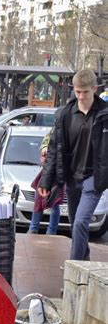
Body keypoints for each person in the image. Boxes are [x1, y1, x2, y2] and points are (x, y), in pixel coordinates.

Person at [38, 69, 108, 260]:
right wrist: (45, 181)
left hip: (94, 178)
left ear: (94, 89)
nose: (81, 96)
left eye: (85, 92)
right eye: (77, 92)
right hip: (71, 177)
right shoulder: (66, 114)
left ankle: (74, 267)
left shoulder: (104, 114)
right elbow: (55, 149)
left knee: (80, 223)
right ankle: (84, 263)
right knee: (75, 223)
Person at [28, 129, 62, 235]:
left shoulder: (69, 133)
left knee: (54, 202)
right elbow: (46, 140)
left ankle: (51, 231)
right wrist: (44, 148)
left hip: (59, 172)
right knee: (39, 200)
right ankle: (33, 228)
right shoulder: (54, 131)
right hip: (47, 171)